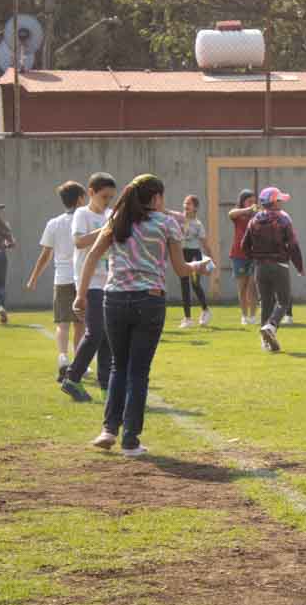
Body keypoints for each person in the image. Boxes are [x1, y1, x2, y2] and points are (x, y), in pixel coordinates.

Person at [74, 174, 208, 457]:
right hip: (149, 299)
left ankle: (109, 429)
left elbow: (92, 256)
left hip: (114, 299)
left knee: (117, 367)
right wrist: (202, 266)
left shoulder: (116, 221)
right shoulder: (166, 224)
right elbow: (181, 269)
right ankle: (130, 440)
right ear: (156, 197)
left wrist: (81, 294)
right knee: (138, 371)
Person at [60, 173, 116, 402]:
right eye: (104, 197)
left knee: (106, 336)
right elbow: (79, 241)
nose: (107, 202)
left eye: (111, 198)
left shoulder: (111, 215)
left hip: (109, 281)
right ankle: (72, 378)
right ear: (91, 193)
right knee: (94, 333)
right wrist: (106, 231)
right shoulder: (82, 214)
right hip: (89, 280)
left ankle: (106, 387)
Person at [26, 181, 86, 381]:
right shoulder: (85, 219)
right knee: (80, 324)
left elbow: (45, 255)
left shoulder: (54, 223)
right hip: (82, 277)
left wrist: (33, 277)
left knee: (62, 323)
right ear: (79, 199)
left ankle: (62, 357)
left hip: (61, 279)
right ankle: (79, 363)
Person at [241, 187, 304, 352]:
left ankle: (265, 341)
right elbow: (293, 244)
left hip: (260, 267)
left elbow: (244, 246)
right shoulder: (284, 219)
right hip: (279, 265)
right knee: (283, 301)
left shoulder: (253, 220)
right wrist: (299, 266)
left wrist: (255, 257)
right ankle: (271, 326)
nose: (282, 203)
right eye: (280, 200)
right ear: (274, 202)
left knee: (266, 303)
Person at [168, 195, 216, 328]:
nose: (185, 206)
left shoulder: (198, 224)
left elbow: (205, 244)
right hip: (182, 254)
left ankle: (206, 310)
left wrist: (211, 260)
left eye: (188, 204)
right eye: (184, 203)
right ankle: (188, 318)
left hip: (195, 255)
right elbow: (167, 212)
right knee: (184, 284)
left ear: (195, 207)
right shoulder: (180, 218)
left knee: (195, 284)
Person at [228, 189, 259, 325]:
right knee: (242, 287)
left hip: (254, 255)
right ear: (243, 201)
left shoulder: (257, 216)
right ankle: (244, 316)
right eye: (249, 201)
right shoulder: (238, 214)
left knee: (253, 285)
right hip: (238, 255)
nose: (252, 204)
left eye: (254, 201)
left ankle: (253, 316)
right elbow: (230, 213)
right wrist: (247, 210)